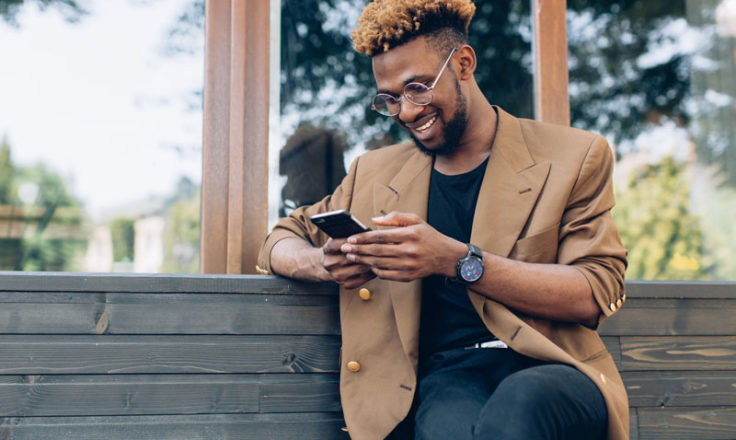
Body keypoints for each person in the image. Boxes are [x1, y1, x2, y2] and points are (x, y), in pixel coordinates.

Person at [257, 1, 628, 439]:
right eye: (390, 99)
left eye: (417, 87)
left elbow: (596, 290)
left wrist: (456, 261)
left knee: (517, 410)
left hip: (553, 363)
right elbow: (281, 238)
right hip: (447, 375)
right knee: (446, 426)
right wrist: (321, 263)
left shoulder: (573, 156)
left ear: (464, 63)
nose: (407, 112)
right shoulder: (375, 173)